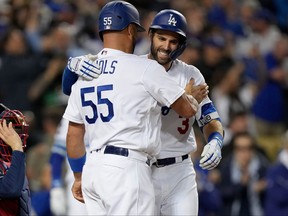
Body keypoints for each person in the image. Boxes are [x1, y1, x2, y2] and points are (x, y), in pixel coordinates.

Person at [63, 8, 224, 216]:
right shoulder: (136, 68)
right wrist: (70, 69)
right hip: (144, 168)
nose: (166, 46)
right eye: (161, 38)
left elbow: (209, 118)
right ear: (150, 36)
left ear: (182, 45)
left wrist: (216, 140)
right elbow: (183, 108)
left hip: (179, 169)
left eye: (173, 41)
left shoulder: (190, 74)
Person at [49, 117, 88, 216]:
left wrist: (56, 185)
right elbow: (58, 154)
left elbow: (57, 154)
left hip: (79, 179)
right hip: (81, 179)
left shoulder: (75, 110)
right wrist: (56, 185)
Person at [0, 103, 32, 215]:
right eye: (9, 129)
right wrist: (17, 149)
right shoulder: (17, 154)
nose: (15, 136)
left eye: (17, 130)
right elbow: (10, 190)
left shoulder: (14, 159)